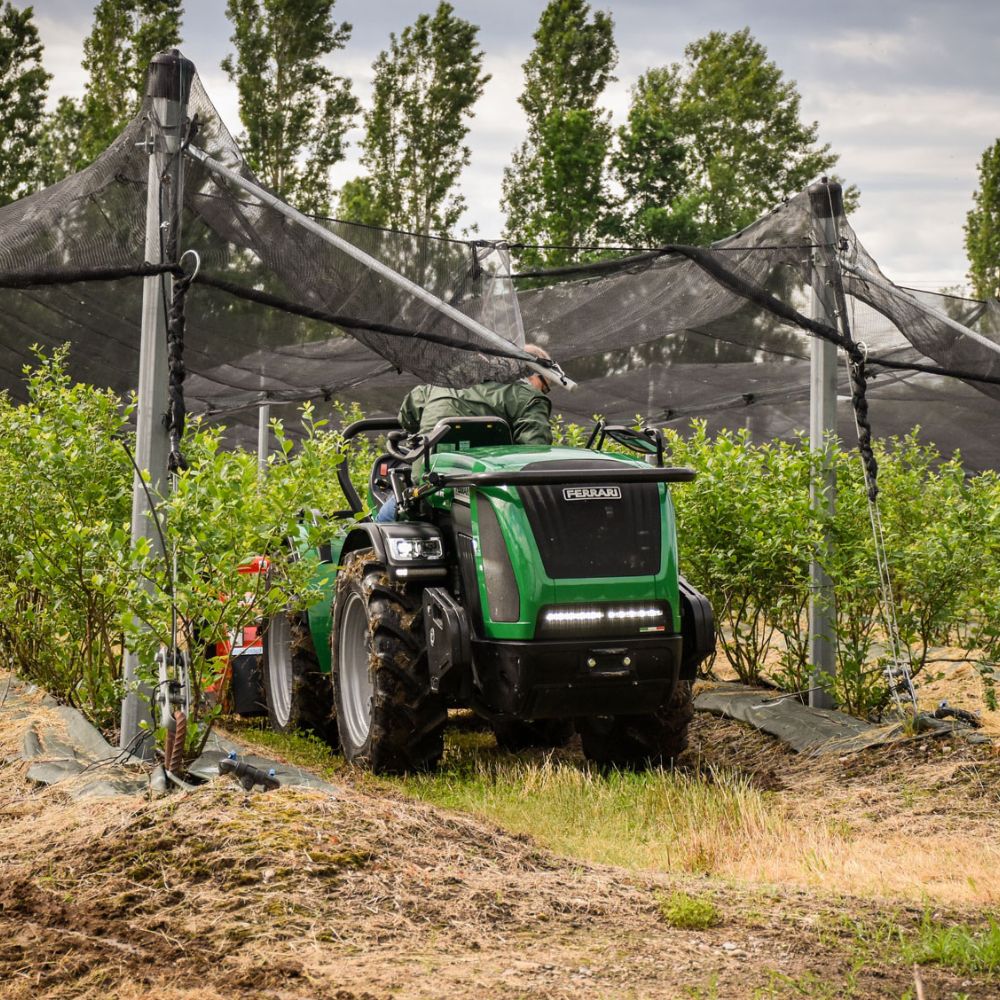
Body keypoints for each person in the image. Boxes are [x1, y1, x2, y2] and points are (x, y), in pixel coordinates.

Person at [375, 344, 556, 522]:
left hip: (427, 491)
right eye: (546, 386)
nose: (544, 392)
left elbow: (406, 418)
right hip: (493, 497)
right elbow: (534, 456)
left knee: (382, 524)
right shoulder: (528, 398)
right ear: (531, 372)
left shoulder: (438, 385)